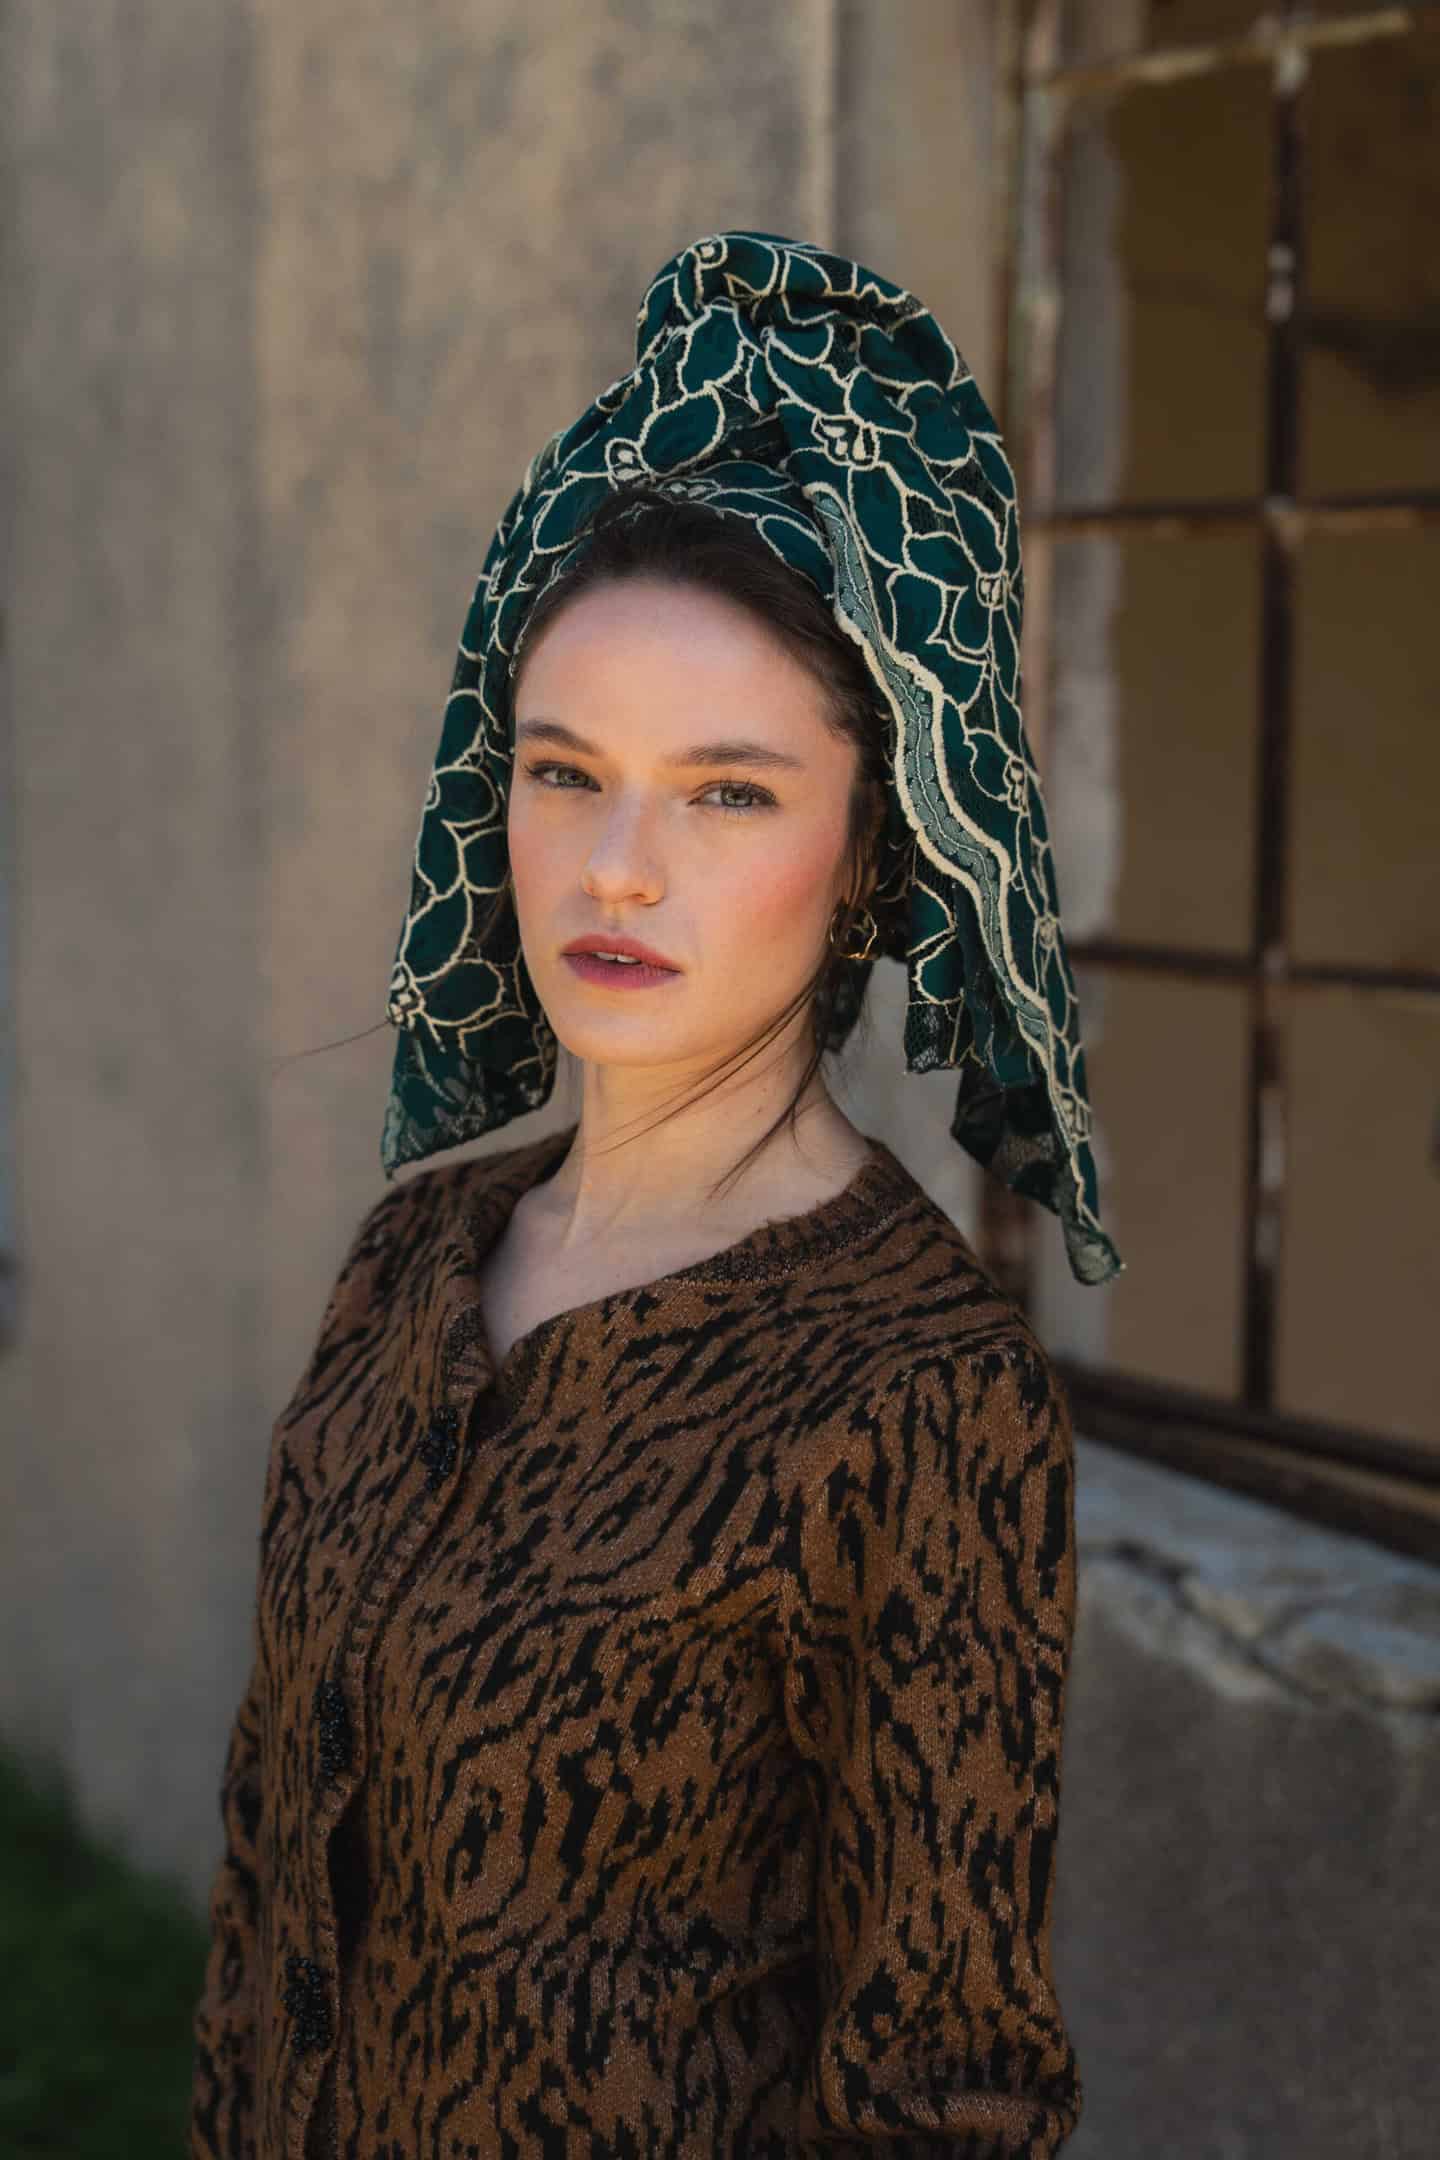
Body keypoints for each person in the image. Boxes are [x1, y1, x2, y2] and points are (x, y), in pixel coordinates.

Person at [188, 231, 1122, 2160]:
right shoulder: (415, 1257)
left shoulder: (921, 1394)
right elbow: (273, 1890)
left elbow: (949, 2098)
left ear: (870, 858)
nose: (616, 866)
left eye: (727, 792)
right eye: (564, 773)